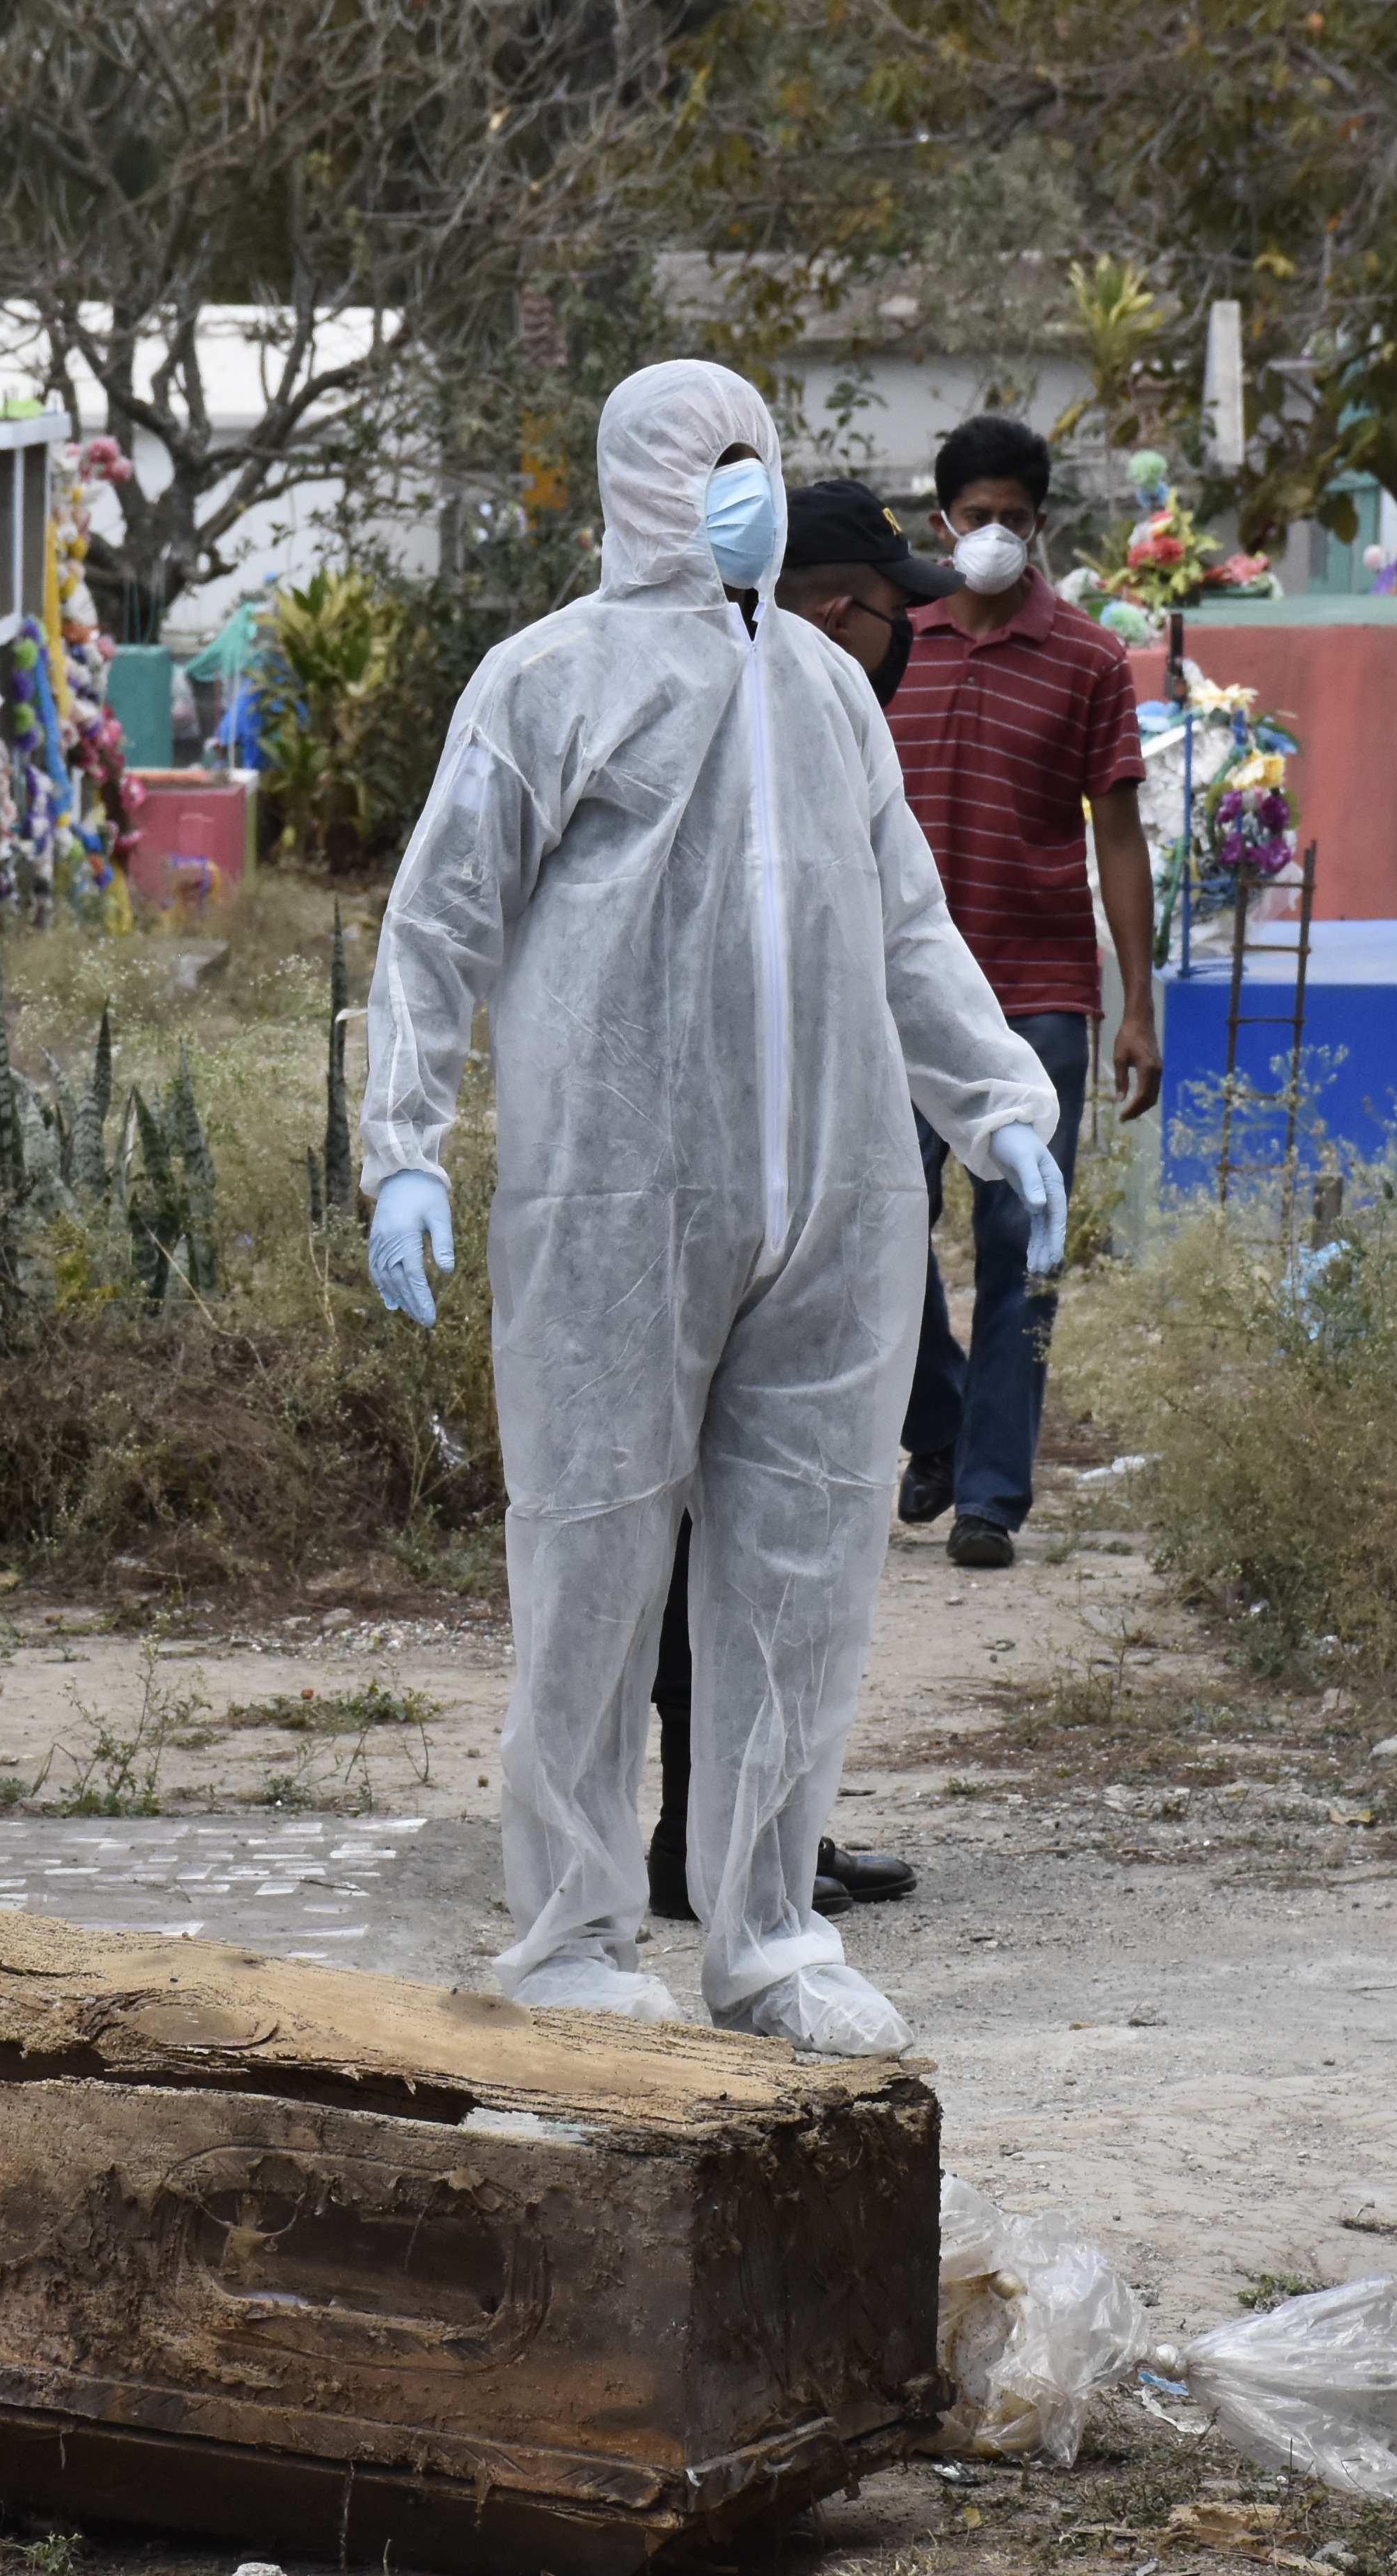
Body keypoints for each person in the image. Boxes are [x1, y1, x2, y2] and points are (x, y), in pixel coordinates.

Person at [359, 364, 1066, 2057]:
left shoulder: (825, 689)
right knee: (595, 1556)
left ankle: (765, 1932)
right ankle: (567, 1930)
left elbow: (907, 927)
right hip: (610, 1206)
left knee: (804, 1569)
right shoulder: (548, 681)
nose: (747, 488)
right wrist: (401, 1142)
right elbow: (439, 921)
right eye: (719, 461)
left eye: (763, 458)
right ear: (645, 482)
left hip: (833, 1204)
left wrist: (1002, 1105)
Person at [643, 476, 965, 1926]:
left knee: (764, 1519)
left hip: (789, 1164)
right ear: (838, 606)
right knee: (694, 1524)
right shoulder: (715, 712)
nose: (908, 642)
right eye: (899, 613)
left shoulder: (809, 716)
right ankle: (699, 1837)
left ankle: (756, 1826)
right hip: (685, 1175)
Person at [888, 414, 1163, 1568]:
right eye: (975, 516)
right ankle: (939, 1422)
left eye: (1014, 516)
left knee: (1022, 1244)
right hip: (896, 998)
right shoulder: (885, 643)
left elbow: (1119, 837)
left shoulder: (1090, 658)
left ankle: (994, 1493)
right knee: (874, 1233)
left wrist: (1135, 1005)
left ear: (1041, 523)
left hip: (1039, 995)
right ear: (938, 522)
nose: (994, 535)